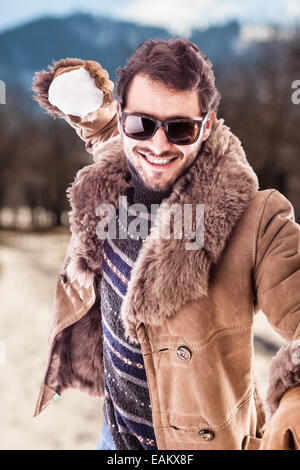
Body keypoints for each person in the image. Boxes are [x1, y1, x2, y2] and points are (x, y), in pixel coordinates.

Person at [31, 38, 300, 450]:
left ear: (206, 126)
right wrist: (92, 110)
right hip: (114, 438)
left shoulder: (258, 221)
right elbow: (110, 137)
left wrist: (295, 407)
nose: (158, 145)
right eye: (141, 124)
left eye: (181, 128)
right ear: (122, 118)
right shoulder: (116, 178)